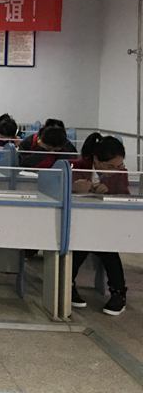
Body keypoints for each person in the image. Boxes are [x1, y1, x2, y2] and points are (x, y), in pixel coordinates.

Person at [69, 133, 129, 315]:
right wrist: (73, 187)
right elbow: (54, 187)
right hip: (78, 223)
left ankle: (118, 293)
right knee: (80, 246)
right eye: (110, 166)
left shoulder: (121, 173)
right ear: (96, 159)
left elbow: (125, 196)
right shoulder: (76, 167)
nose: (115, 170)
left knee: (108, 248)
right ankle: (68, 285)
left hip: (106, 224)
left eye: (119, 166)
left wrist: (110, 192)